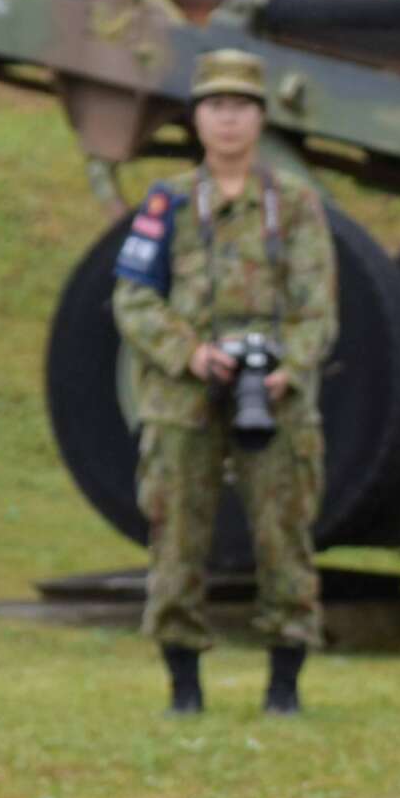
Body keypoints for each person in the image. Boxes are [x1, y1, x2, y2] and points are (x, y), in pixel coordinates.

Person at [111, 49, 335, 716]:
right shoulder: (170, 201)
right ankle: (182, 684)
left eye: (241, 106)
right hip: (183, 397)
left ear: (261, 118)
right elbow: (133, 298)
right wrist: (191, 354)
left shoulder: (293, 203)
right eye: (215, 105)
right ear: (196, 117)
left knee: (284, 536)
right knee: (175, 538)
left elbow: (318, 304)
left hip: (276, 396)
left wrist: (289, 367)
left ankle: (284, 685)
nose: (228, 119)